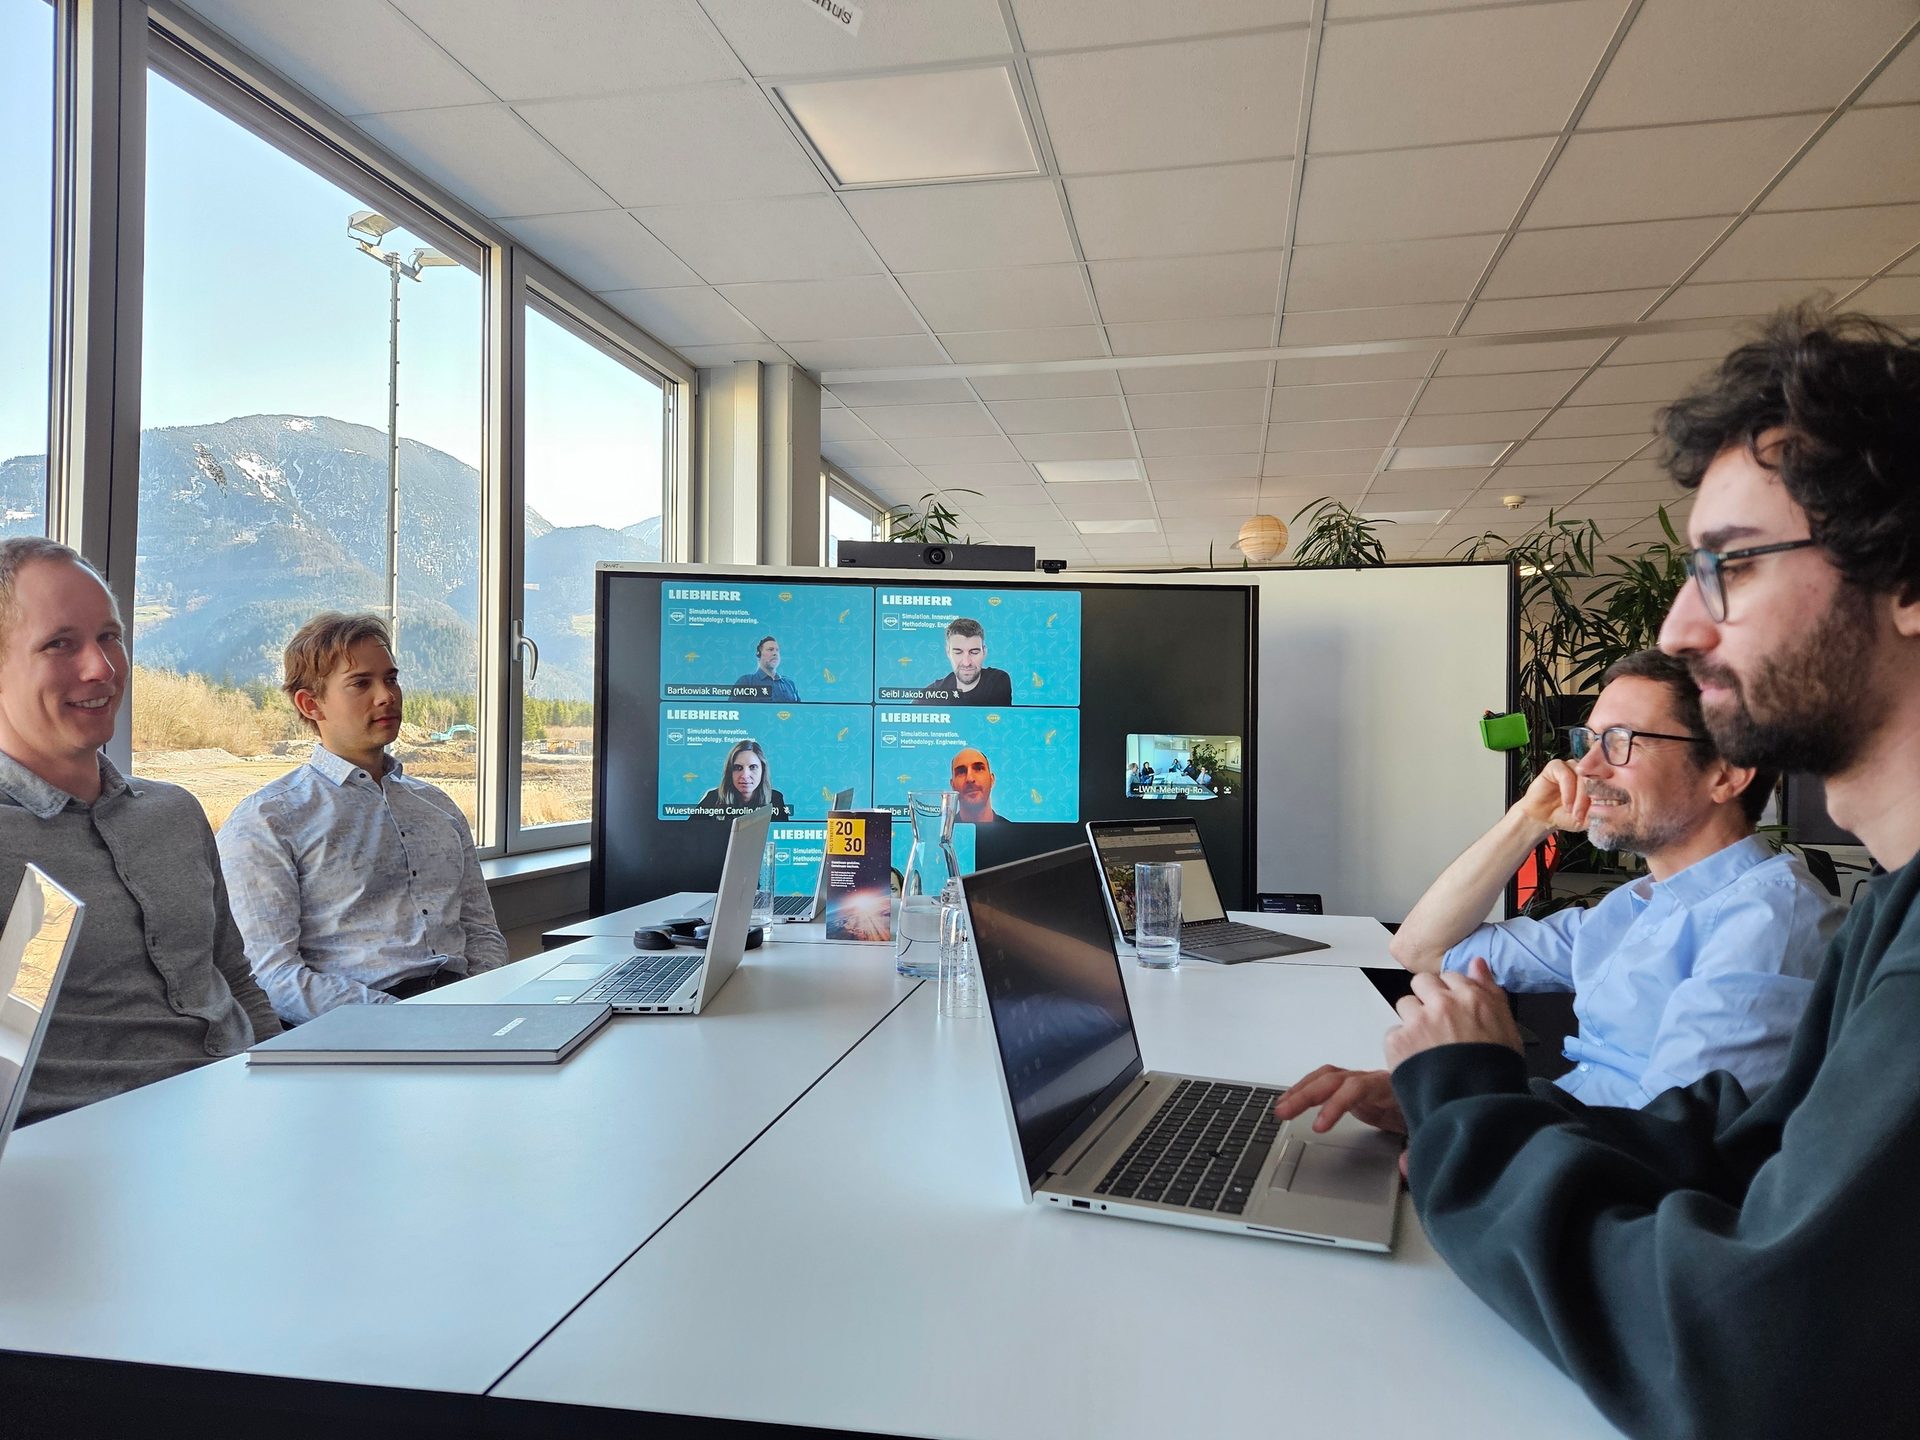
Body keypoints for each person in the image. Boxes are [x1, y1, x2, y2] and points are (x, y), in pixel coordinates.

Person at [1334, 309, 1920, 1439]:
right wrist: (1459, 1107)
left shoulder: (1839, 926)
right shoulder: (1887, 915)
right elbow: (1739, 1149)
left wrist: (1473, 1114)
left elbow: (1746, 1351)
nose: (1681, 627)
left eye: (1731, 566)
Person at [1278, 649, 1838, 1130]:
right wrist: (1527, 817)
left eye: (1620, 742)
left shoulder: (1768, 919)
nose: (1586, 766)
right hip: (1557, 1153)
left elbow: (1667, 1145)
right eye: (1588, 740)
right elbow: (1421, 950)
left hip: (1605, 1203)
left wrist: (1470, 1098)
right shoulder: (1635, 907)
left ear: (1725, 773)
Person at [0, 537, 280, 1124]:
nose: (101, 668)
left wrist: (282, 1087)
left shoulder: (174, 812)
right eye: (60, 643)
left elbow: (234, 978)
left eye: (110, 636)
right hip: (84, 1164)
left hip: (245, 1120)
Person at [216, 613, 507, 1024]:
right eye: (361, 683)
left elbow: (482, 933)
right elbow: (272, 976)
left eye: (391, 678)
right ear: (310, 703)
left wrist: (483, 1003)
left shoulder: (437, 806)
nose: (387, 696)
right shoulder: (269, 820)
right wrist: (407, 1019)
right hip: (359, 1031)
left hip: (468, 1011)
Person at [921, 618, 1012, 706]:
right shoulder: (930, 695)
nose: (966, 663)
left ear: (984, 652)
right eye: (958, 652)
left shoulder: (998, 681)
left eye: (974, 652)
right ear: (948, 652)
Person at [695, 737, 790, 819]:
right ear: (729, 772)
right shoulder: (713, 798)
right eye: (738, 768)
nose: (745, 775)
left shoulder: (775, 799)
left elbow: (780, 837)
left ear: (763, 770)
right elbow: (687, 835)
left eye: (753, 767)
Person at [731, 635, 799, 703]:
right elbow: (734, 708)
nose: (775, 653)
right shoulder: (746, 682)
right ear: (759, 654)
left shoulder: (789, 683)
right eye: (770, 649)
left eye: (777, 650)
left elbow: (800, 710)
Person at [950, 747, 998, 824]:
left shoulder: (1015, 832)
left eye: (979, 769)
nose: (970, 778)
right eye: (961, 772)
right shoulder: (942, 834)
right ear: (953, 785)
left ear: (991, 779)